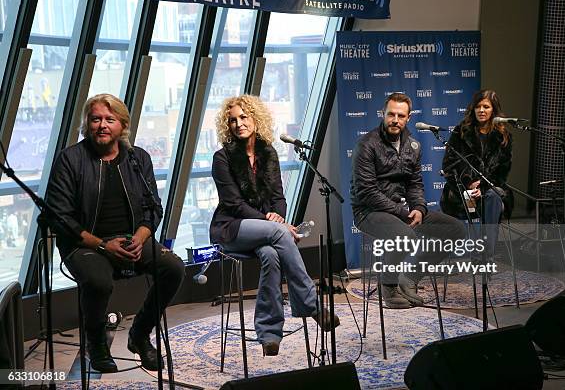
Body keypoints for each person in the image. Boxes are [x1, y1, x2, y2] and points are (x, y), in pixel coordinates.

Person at [45, 94, 185, 373]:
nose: (102, 125)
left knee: (174, 267)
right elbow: (60, 218)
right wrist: (103, 246)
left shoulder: (138, 158)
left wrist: (140, 238)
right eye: (96, 119)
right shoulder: (70, 159)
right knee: (98, 281)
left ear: (123, 125)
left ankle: (140, 334)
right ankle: (96, 342)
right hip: (84, 242)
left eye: (110, 119)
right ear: (87, 123)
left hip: (133, 238)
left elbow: (153, 207)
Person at [210, 94, 339, 356]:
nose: (239, 124)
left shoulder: (268, 153)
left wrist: (278, 217)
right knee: (280, 234)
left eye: (244, 117)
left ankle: (269, 334)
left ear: (256, 119)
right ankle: (312, 305)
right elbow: (233, 204)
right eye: (232, 120)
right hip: (231, 228)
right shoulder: (221, 158)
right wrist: (276, 224)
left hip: (266, 229)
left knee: (271, 254)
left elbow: (278, 197)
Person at [351, 92, 465, 309]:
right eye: (391, 114)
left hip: (399, 209)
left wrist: (419, 208)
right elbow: (366, 191)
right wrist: (403, 213)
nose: (395, 120)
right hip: (368, 212)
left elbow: (415, 184)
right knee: (405, 235)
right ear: (383, 114)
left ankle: (410, 277)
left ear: (408, 118)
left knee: (456, 229)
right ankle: (389, 287)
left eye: (400, 116)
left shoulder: (413, 146)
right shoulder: (366, 145)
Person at [440, 89, 513, 258]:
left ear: (493, 110)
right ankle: (481, 254)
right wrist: (468, 185)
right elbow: (449, 164)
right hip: (463, 191)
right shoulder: (461, 131)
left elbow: (503, 170)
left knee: (493, 198)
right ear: (473, 109)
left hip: (490, 189)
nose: (481, 110)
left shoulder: (503, 136)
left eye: (486, 107)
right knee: (475, 202)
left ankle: (486, 254)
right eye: (478, 106)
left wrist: (484, 186)